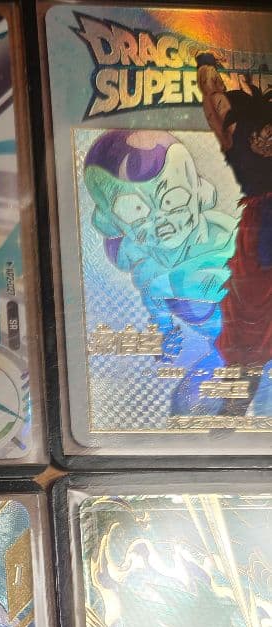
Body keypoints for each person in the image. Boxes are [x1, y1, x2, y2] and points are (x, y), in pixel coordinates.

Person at [83, 129, 237, 415]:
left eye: (171, 199)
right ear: (110, 220)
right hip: (228, 346)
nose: (160, 220)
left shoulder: (225, 239)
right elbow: (155, 299)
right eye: (134, 209)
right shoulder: (149, 270)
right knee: (188, 408)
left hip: (250, 338)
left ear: (197, 189)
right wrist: (165, 333)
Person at [197, 53, 272, 415]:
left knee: (250, 314)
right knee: (250, 313)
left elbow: (214, 98)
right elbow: (215, 99)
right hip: (260, 227)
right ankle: (236, 401)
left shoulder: (233, 125)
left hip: (259, 226)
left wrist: (205, 65)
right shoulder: (236, 124)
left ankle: (236, 401)